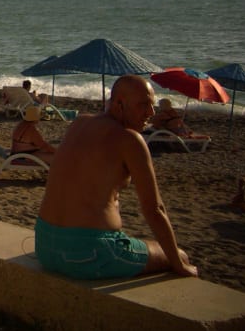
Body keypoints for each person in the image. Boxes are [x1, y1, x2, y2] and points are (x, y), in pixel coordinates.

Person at [35, 74, 197, 280]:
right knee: (181, 255)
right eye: (143, 105)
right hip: (90, 254)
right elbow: (154, 209)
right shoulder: (129, 140)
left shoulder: (79, 123)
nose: (151, 112)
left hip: (45, 246)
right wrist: (178, 265)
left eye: (152, 105)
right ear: (119, 103)